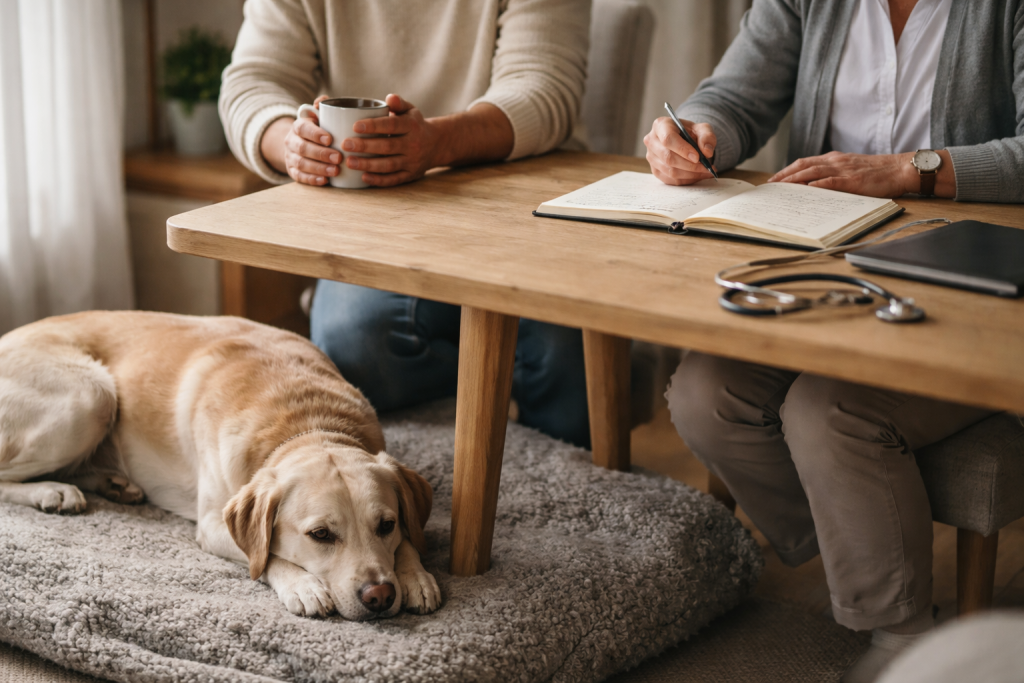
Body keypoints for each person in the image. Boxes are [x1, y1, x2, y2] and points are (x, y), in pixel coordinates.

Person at [644, 0, 1024, 681]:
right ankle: (865, 559)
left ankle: (903, 635)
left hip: (971, 282)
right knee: (705, 393)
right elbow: (734, 96)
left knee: (828, 411)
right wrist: (699, 133)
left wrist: (908, 170)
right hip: (824, 260)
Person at [219, 0, 594, 448]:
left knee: (566, 357)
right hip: (380, 222)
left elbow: (544, 86)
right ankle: (491, 393)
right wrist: (291, 143)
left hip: (528, 209)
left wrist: (438, 143)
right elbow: (253, 81)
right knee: (352, 343)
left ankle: (515, 414)